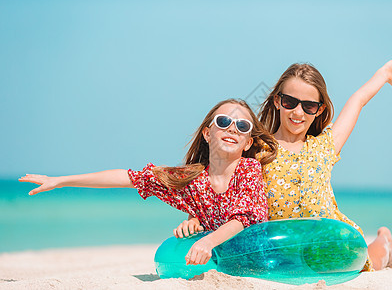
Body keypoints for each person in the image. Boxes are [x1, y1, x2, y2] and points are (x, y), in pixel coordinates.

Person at [174, 60, 392, 271]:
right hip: (278, 250)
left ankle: (385, 239)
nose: (298, 112)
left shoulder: (326, 145)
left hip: (324, 242)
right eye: (290, 102)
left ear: (319, 109)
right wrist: (193, 217)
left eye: (309, 106)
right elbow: (217, 179)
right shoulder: (257, 149)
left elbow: (358, 101)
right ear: (277, 101)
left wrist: (383, 75)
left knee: (371, 262)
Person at [19, 99, 278, 266]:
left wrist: (206, 241)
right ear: (208, 133)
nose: (233, 128)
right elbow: (126, 177)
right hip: (221, 264)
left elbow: (246, 217)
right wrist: (61, 180)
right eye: (224, 122)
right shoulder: (191, 181)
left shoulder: (248, 168)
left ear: (247, 143)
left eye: (242, 126)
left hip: (254, 262)